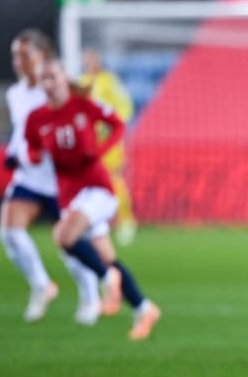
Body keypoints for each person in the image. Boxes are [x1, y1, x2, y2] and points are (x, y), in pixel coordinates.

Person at [25, 55, 161, 340]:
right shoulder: (36, 118)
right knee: (106, 256)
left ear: (65, 78)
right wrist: (33, 157)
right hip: (70, 196)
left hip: (97, 188)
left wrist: (101, 151)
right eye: (44, 78)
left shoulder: (83, 106)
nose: (49, 83)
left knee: (63, 236)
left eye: (53, 76)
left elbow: (118, 125)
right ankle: (143, 308)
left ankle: (106, 279)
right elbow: (32, 148)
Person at [0, 28, 101, 325]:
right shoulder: (15, 93)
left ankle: (90, 296)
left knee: (68, 244)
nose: (18, 61)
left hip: (61, 179)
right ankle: (42, 284)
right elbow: (22, 130)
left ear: (43, 55)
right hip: (30, 177)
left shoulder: (59, 88)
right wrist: (15, 151)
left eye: (24, 54)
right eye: (14, 55)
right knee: (10, 232)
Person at [79, 47, 138, 246]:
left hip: (109, 141)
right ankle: (95, 222)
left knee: (113, 179)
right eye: (86, 59)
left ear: (99, 60)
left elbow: (125, 106)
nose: (89, 63)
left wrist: (111, 124)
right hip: (89, 142)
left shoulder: (109, 81)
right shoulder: (82, 83)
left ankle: (126, 220)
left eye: (92, 58)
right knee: (89, 182)